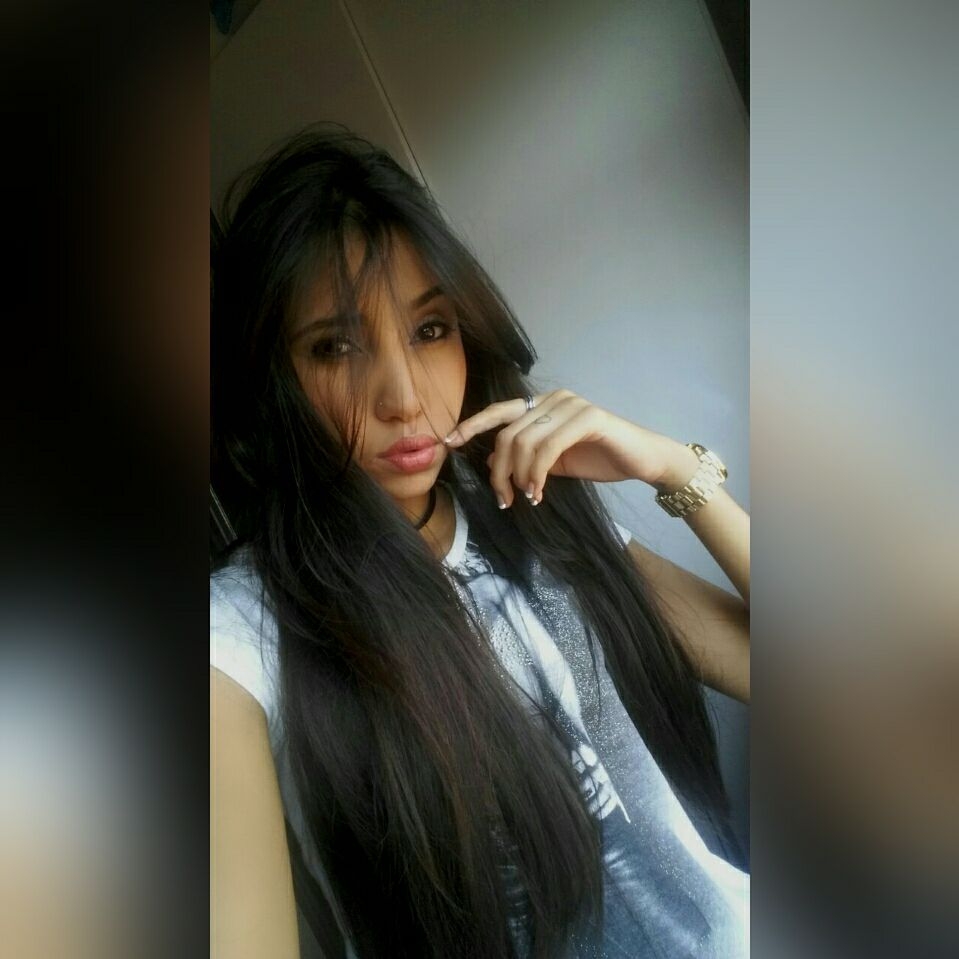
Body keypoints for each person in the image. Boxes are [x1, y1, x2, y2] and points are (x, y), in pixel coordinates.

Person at [210, 124, 750, 959]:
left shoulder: (526, 505)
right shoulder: (242, 630)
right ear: (271, 376)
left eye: (431, 330)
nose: (404, 398)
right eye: (335, 346)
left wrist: (670, 465)